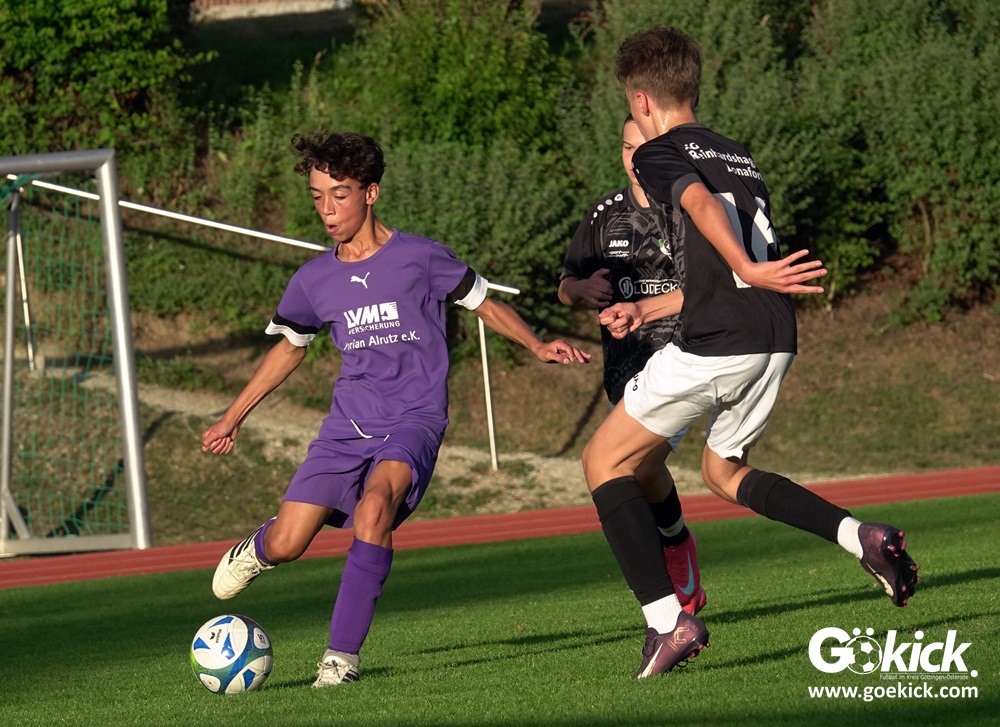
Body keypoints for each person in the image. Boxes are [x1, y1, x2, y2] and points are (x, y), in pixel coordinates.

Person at [581, 27, 920, 679]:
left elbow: (698, 205)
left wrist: (743, 265)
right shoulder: (736, 154)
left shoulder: (656, 151)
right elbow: (719, 259)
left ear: (642, 100)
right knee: (722, 470)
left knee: (603, 460)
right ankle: (862, 537)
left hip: (720, 340)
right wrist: (660, 304)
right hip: (772, 333)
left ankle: (668, 622)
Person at [202, 131, 590, 688]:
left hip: (415, 418)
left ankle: (340, 659)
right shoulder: (312, 280)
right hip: (346, 425)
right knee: (288, 543)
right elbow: (289, 348)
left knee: (375, 508)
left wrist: (535, 344)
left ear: (371, 193)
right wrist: (232, 416)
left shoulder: (421, 257)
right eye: (317, 197)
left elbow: (483, 303)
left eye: (339, 195)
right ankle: (259, 547)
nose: (327, 209)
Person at [558, 114, 704, 615]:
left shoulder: (687, 208)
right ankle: (675, 542)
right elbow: (565, 285)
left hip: (682, 357)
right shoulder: (605, 215)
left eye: (644, 147)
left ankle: (670, 566)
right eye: (626, 147)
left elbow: (713, 287)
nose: (635, 159)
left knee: (634, 462)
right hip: (624, 367)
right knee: (637, 468)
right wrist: (581, 288)